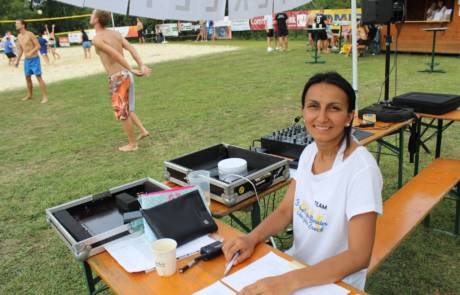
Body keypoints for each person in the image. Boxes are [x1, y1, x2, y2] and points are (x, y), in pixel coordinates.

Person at [223, 72, 383, 294]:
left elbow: (359, 256)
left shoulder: (361, 171)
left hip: (336, 283)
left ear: (349, 117)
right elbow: (285, 211)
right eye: (313, 106)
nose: (322, 117)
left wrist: (287, 282)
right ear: (303, 111)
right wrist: (252, 238)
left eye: (334, 108)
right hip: (297, 268)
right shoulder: (309, 152)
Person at [90, 10, 151, 152]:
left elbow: (115, 54)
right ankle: (142, 130)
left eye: (92, 15)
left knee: (121, 112)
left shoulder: (97, 38)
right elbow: (131, 48)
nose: (90, 16)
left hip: (118, 76)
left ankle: (132, 144)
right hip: (125, 75)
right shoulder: (115, 33)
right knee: (127, 109)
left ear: (97, 19)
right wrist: (140, 65)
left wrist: (132, 68)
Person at [14, 19, 48, 104]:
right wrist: (17, 60)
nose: (16, 25)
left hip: (34, 58)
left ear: (23, 25)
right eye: (16, 23)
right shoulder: (18, 36)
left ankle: (45, 97)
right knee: (27, 78)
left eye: (17, 23)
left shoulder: (30, 34)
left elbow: (38, 46)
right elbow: (20, 50)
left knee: (38, 77)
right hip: (27, 60)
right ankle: (29, 95)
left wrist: (31, 52)